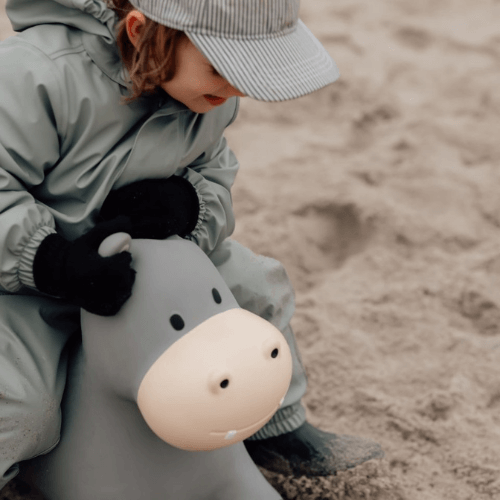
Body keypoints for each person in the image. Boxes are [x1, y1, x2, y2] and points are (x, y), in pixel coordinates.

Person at [0, 0, 384, 490]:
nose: (238, 88)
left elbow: (215, 176)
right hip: (33, 279)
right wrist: (48, 259)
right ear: (142, 33)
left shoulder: (209, 97)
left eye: (255, 71)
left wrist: (190, 205)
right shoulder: (40, 76)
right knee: (20, 402)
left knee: (255, 284)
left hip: (150, 262)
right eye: (225, 67)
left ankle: (276, 423)